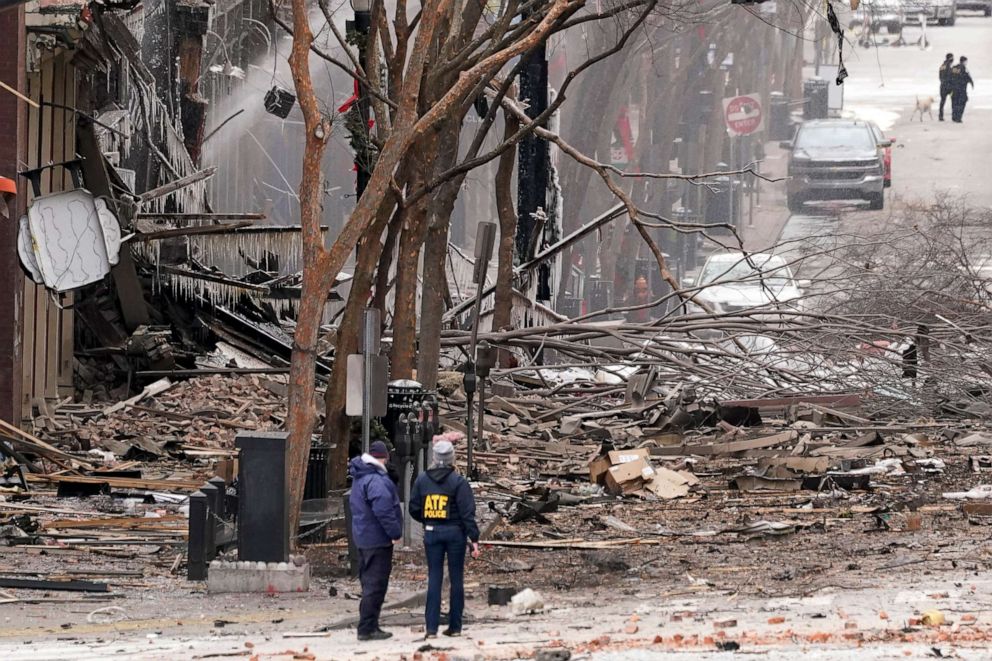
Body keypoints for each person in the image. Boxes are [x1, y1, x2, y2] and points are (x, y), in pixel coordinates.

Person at [409, 440, 480, 639]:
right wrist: (474, 538)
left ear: (434, 458)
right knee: (456, 579)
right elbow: (468, 513)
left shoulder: (423, 480)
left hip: (432, 533)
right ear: (452, 459)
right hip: (455, 534)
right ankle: (455, 626)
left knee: (434, 578)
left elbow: (413, 507)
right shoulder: (458, 482)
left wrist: (427, 520)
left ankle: (431, 629)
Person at [348, 440, 403, 641]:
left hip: (363, 537)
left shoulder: (360, 477)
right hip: (377, 539)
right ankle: (367, 628)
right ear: (384, 458)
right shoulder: (376, 480)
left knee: (368, 583)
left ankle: (370, 624)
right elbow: (384, 510)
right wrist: (395, 532)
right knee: (376, 584)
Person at [950, 56, 975, 123]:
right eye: (966, 62)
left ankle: (954, 117)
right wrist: (972, 84)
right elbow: (968, 77)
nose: (966, 63)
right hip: (961, 89)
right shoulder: (964, 68)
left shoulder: (954, 68)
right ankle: (958, 118)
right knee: (962, 102)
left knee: (955, 103)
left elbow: (949, 77)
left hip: (954, 89)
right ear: (964, 61)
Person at [938, 53, 954, 121]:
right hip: (949, 87)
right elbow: (950, 77)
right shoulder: (949, 66)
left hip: (942, 87)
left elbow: (940, 77)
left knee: (942, 101)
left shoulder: (942, 66)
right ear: (950, 58)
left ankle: (940, 116)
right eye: (952, 58)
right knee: (954, 100)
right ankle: (954, 115)